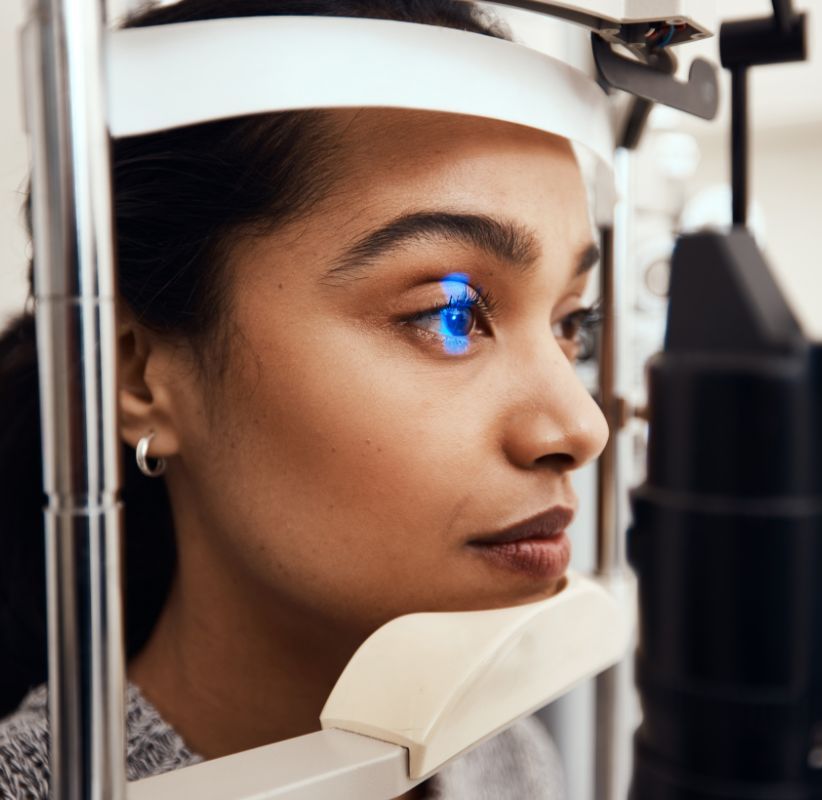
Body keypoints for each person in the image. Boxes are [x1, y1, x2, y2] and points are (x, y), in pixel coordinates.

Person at [0, 1, 609, 797]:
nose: (581, 426)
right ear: (137, 375)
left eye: (573, 324)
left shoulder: (507, 757)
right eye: (450, 315)